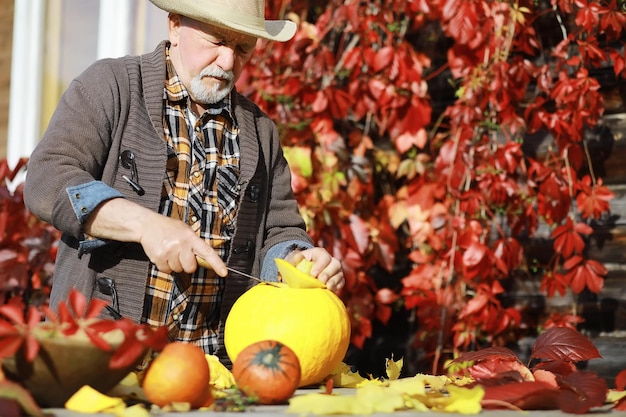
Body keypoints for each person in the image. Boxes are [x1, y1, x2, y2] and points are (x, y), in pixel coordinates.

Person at [23, 0, 344, 364]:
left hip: (214, 376)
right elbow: (48, 178)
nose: (228, 62)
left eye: (242, 48)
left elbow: (280, 229)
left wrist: (298, 261)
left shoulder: (260, 131)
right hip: (97, 363)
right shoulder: (111, 86)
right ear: (174, 26)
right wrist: (145, 225)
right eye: (217, 40)